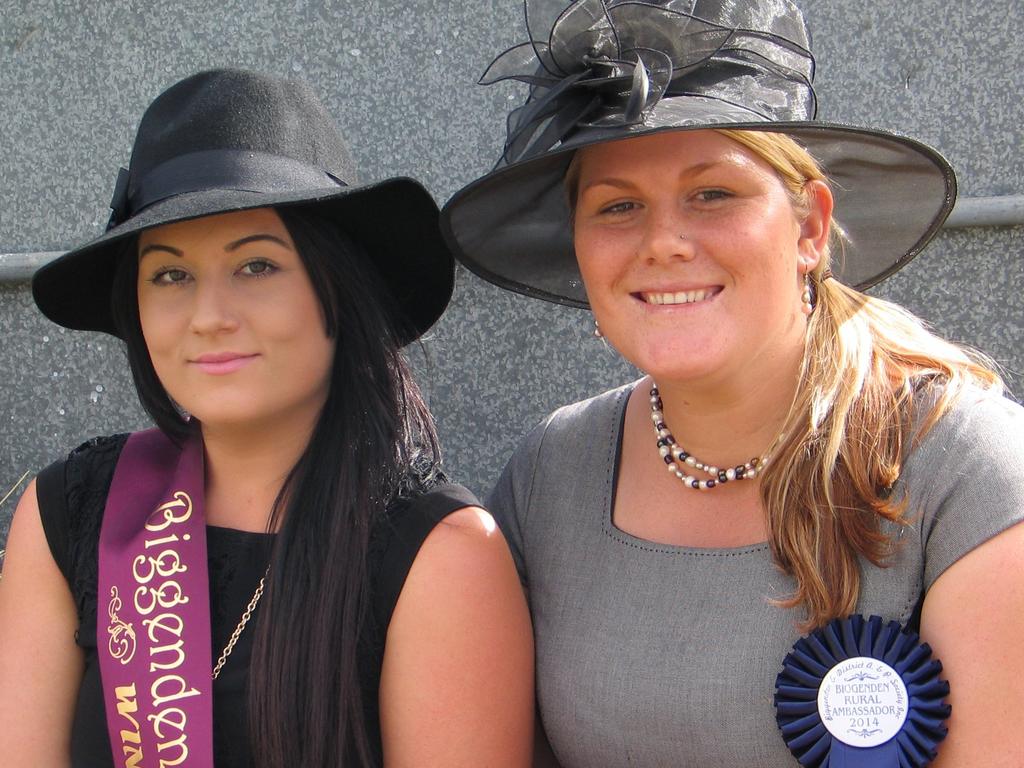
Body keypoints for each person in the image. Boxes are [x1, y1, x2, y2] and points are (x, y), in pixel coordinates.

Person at [440, 1, 1024, 766]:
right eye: (618, 206)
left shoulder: (966, 467)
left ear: (810, 227)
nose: (665, 243)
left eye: (713, 193)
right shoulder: (554, 471)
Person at [0, 69, 533, 767]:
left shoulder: (441, 556)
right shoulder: (68, 513)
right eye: (169, 275)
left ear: (338, 293)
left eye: (256, 266)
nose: (210, 316)